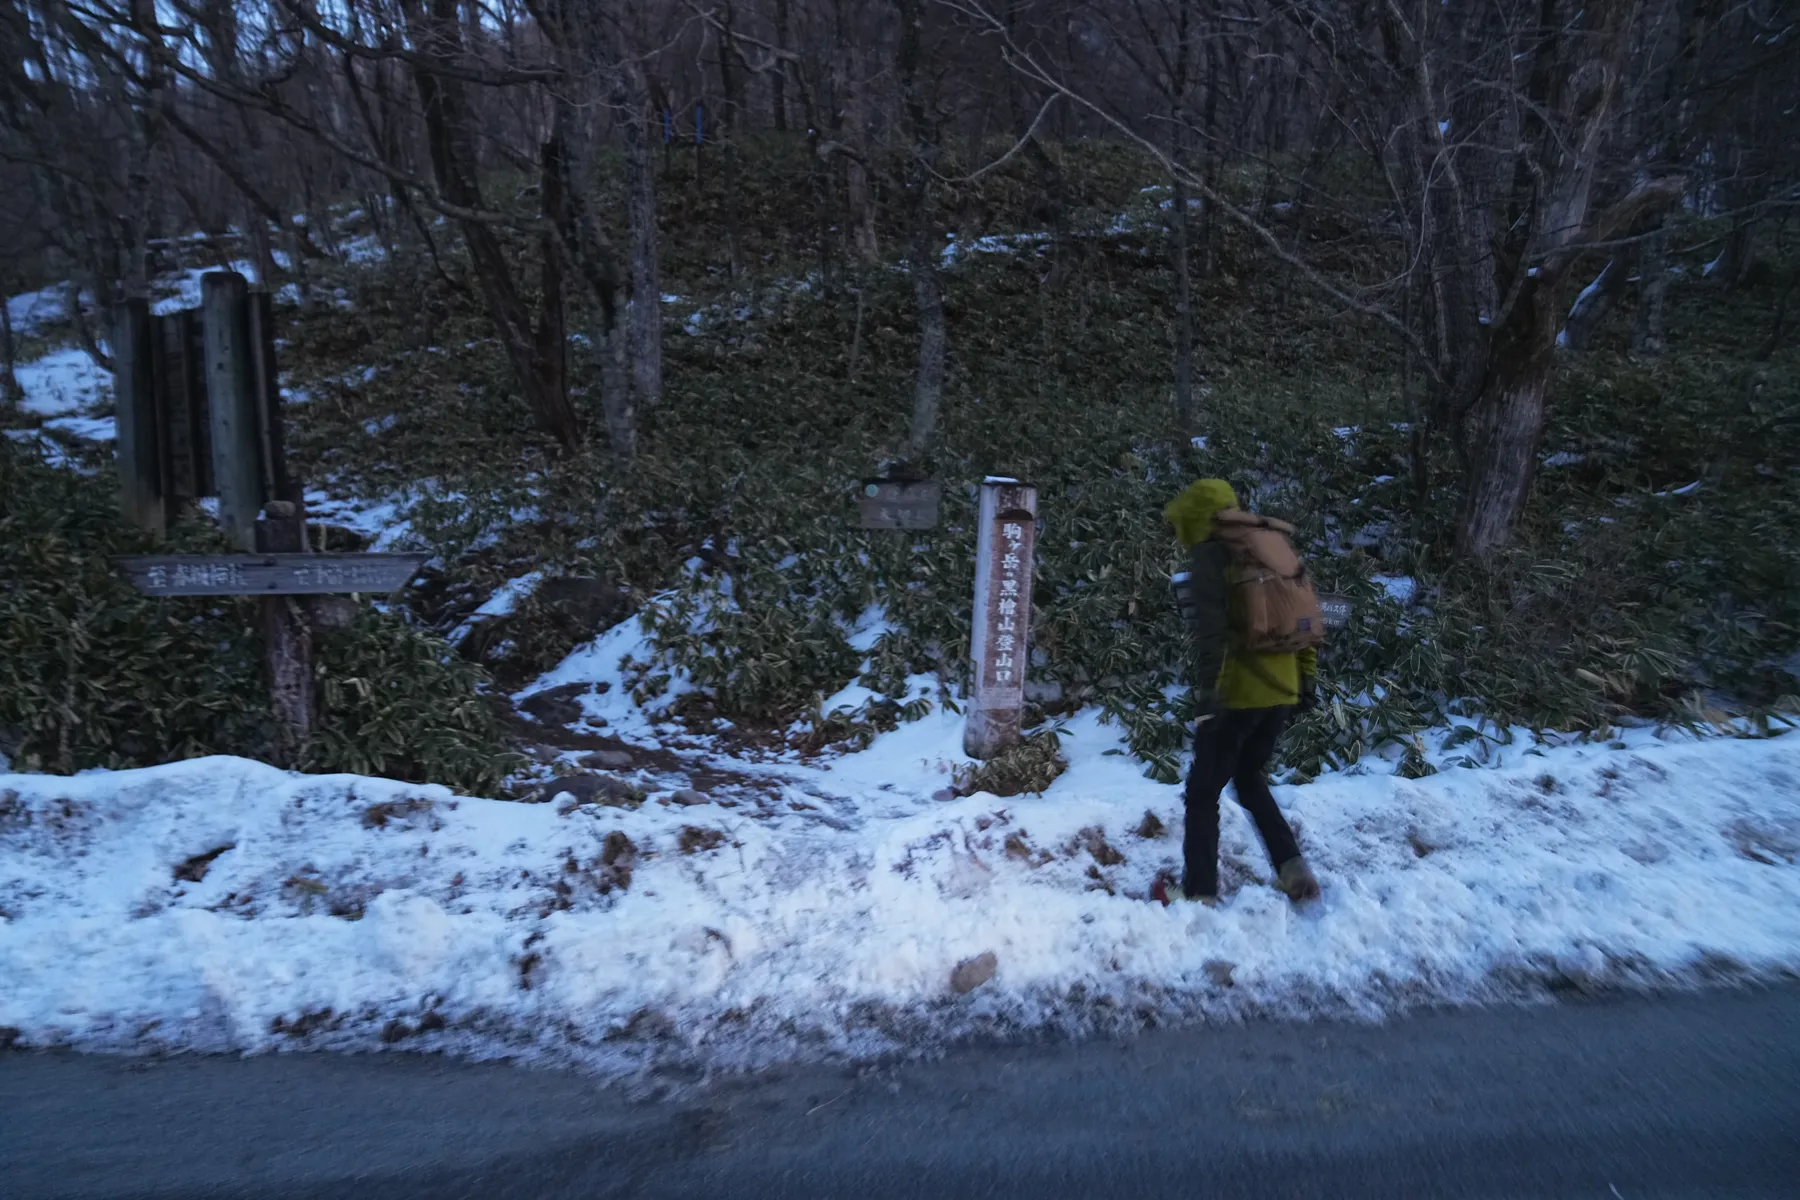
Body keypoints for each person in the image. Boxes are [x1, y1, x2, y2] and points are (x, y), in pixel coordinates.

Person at [1153, 478, 1322, 908]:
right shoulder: (1269, 545)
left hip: (1239, 696)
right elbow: (1305, 620)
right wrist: (1305, 682)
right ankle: (1293, 869)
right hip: (1283, 690)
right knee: (1248, 779)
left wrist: (1208, 701)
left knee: (1202, 793)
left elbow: (1212, 638)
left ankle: (1199, 892)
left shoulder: (1213, 555)